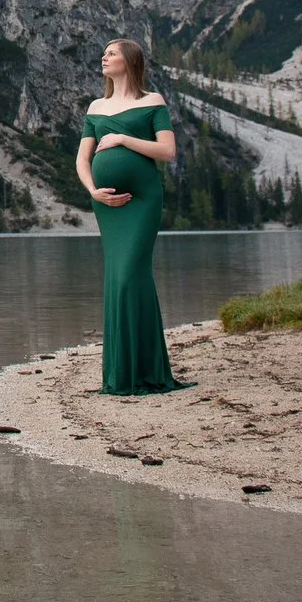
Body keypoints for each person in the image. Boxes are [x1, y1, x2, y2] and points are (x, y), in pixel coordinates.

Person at [76, 38, 188, 395]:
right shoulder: (96, 107)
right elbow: (81, 159)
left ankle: (143, 370)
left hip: (143, 200)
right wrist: (93, 190)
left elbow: (167, 151)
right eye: (104, 53)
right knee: (118, 277)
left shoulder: (152, 102)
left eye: (111, 53)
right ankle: (125, 371)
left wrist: (123, 138)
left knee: (130, 275)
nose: (103, 57)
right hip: (106, 204)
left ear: (130, 60)